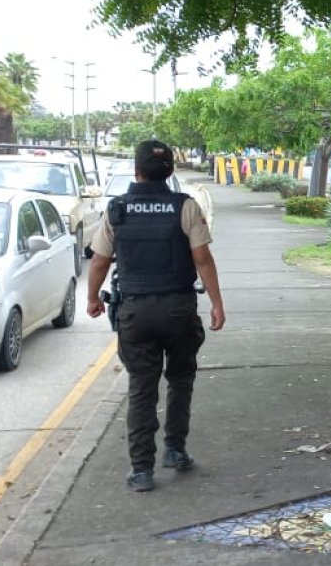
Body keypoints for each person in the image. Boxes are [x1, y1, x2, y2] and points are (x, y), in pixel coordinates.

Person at [86, 140, 226, 493]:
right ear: (170, 171)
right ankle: (175, 450)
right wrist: (216, 303)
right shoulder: (185, 206)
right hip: (179, 309)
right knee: (180, 378)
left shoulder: (117, 209)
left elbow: (99, 261)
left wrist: (92, 298)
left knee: (141, 386)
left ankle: (141, 469)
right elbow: (202, 259)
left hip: (136, 311)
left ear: (136, 170)